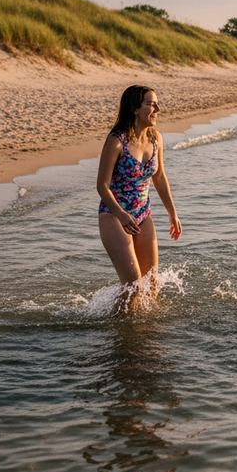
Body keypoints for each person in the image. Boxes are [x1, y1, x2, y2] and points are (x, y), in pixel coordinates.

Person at [97, 85, 182, 311]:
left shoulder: (156, 139)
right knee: (133, 286)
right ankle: (117, 332)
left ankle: (144, 333)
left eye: (156, 103)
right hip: (114, 215)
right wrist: (122, 215)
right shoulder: (117, 141)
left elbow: (160, 177)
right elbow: (102, 186)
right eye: (150, 104)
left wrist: (172, 214)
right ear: (135, 108)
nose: (157, 108)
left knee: (152, 285)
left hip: (143, 215)